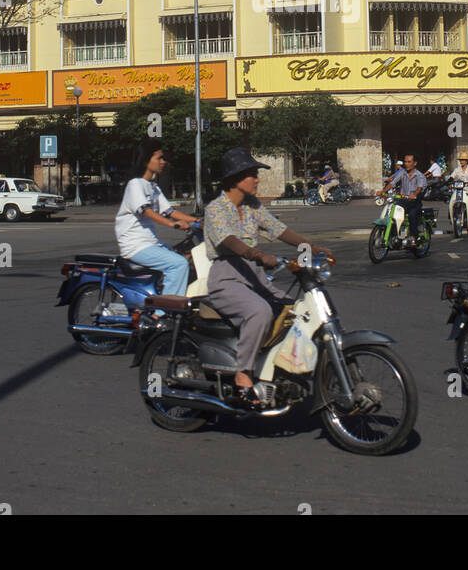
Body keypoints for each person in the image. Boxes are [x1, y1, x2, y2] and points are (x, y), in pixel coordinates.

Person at [202, 148, 332, 407]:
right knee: (259, 312)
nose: (257, 179)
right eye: (252, 174)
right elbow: (230, 242)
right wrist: (258, 255)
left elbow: (280, 230)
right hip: (227, 278)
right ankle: (244, 372)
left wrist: (313, 247)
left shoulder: (253, 207)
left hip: (255, 276)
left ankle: (277, 370)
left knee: (292, 311)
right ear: (234, 179)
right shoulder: (216, 208)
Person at [114, 145, 200, 299]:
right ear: (147, 161)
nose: (163, 162)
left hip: (151, 244)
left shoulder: (153, 187)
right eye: (159, 158)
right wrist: (173, 224)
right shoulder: (135, 184)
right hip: (135, 246)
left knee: (189, 256)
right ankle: (164, 312)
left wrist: (196, 220)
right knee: (178, 264)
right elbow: (147, 211)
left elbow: (170, 211)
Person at [382, 154, 427, 233]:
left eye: (409, 162)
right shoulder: (402, 172)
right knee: (392, 212)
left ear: (415, 163)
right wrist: (383, 191)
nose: (406, 164)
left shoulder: (419, 175)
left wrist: (414, 194)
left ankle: (414, 236)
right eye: (405, 162)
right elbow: (392, 183)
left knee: (412, 215)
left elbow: (419, 188)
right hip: (403, 201)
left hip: (414, 202)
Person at [450, 153, 468, 231]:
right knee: (452, 202)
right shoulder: (457, 170)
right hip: (459, 189)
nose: (461, 161)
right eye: (460, 160)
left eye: (463, 160)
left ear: (467, 161)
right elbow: (452, 177)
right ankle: (452, 218)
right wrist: (449, 181)